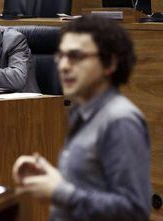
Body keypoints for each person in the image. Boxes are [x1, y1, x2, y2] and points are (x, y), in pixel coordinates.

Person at [12, 15, 151, 221]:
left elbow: (134, 210)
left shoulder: (120, 120)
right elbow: (91, 187)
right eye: (61, 56)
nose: (64, 66)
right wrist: (53, 176)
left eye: (76, 56)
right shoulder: (83, 111)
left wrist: (59, 191)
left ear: (109, 63)